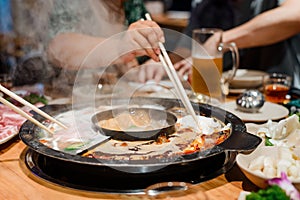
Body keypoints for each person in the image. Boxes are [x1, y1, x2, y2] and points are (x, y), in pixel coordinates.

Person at [11, 0, 165, 94]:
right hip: (67, 100)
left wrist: (152, 64)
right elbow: (59, 47)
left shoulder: (132, 3)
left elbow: (142, 53)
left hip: (122, 98)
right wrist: (120, 47)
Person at [139, 0, 300, 90]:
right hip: (226, 96)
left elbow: (294, 15)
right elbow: (187, 50)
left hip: (280, 96)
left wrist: (219, 41)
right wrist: (164, 63)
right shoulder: (205, 6)